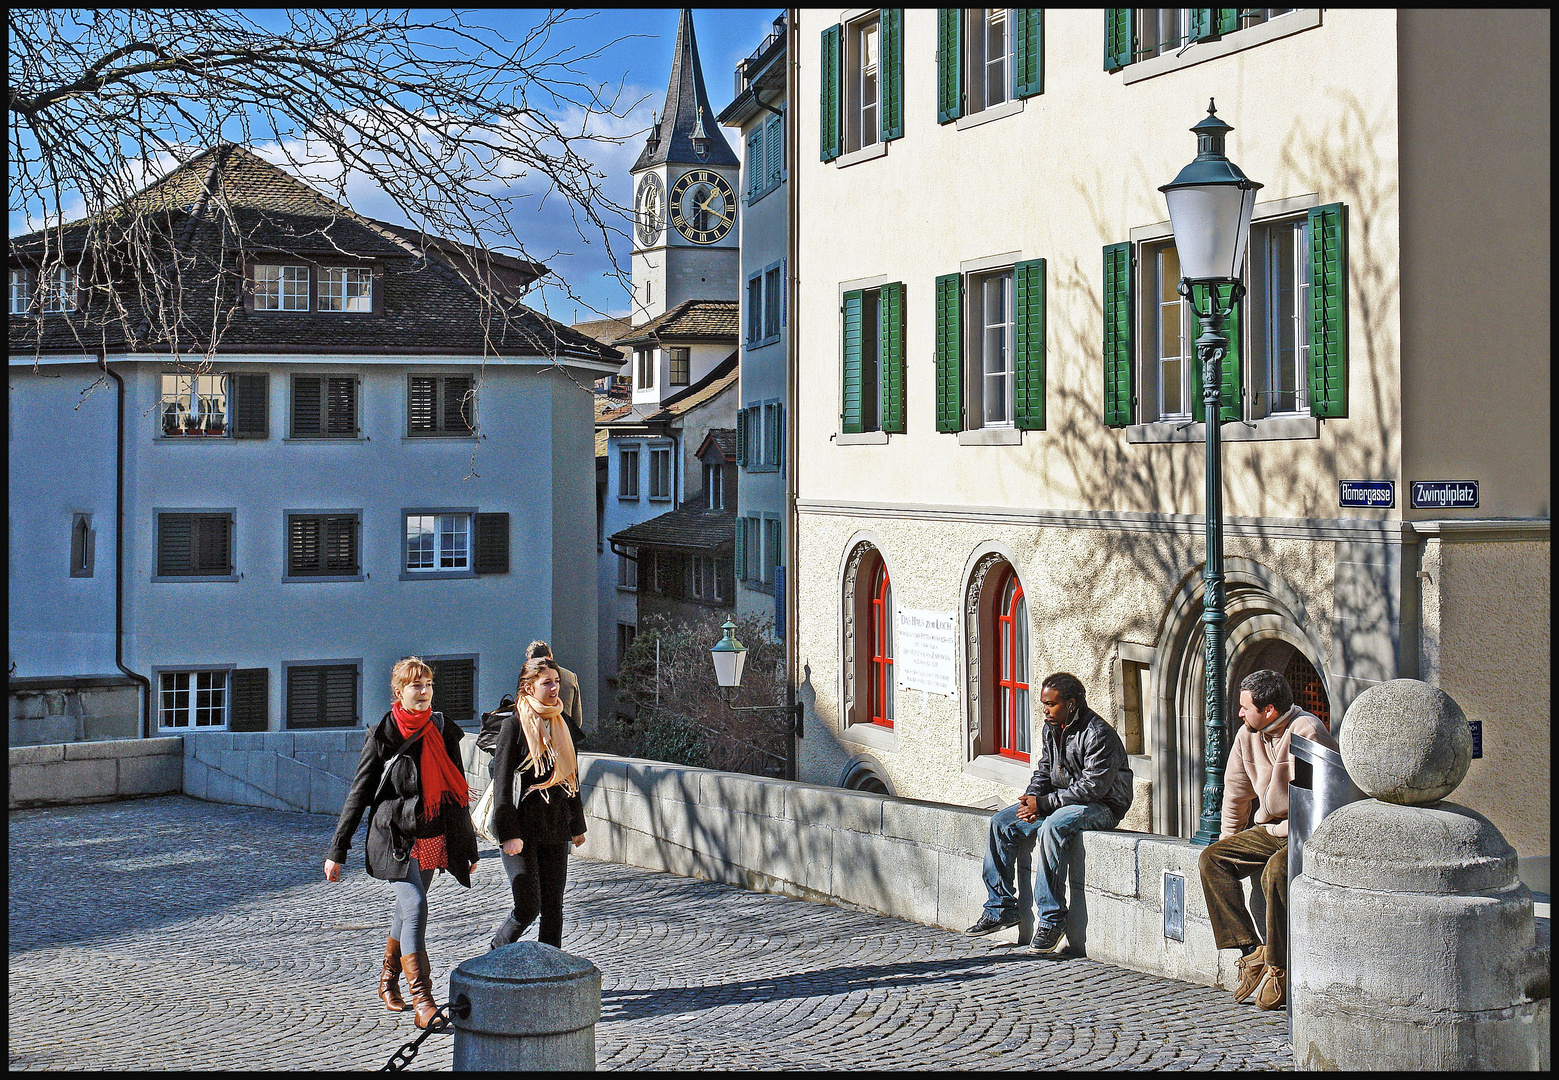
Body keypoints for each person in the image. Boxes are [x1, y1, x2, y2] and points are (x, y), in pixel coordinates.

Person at [323, 657, 480, 1028]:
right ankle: (423, 1000)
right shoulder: (383, 734)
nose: (423, 692)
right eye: (415, 686)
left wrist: (467, 848)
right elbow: (359, 794)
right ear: (399, 692)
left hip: (431, 834)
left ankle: (387, 980)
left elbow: (457, 795)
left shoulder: (443, 729)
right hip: (394, 836)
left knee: (405, 913)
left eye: (427, 685)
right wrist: (337, 851)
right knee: (416, 905)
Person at [1198, 668, 1338, 1012]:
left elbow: (1318, 801)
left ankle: (1279, 967)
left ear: (1270, 710)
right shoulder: (1247, 734)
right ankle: (1252, 952)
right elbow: (1235, 795)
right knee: (1211, 859)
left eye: (1246, 707)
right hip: (1271, 829)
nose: (1240, 713)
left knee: (1276, 872)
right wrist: (1230, 845)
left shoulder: (1307, 732)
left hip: (1308, 829)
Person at [965, 672, 1134, 954]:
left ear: (1071, 703)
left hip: (1103, 806)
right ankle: (1000, 908)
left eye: (1051, 704)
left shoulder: (1098, 734)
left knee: (1052, 827)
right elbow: (1045, 770)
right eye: (1043, 703)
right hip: (1061, 801)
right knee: (1000, 822)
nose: (1045, 709)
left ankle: (1053, 920)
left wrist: (1043, 805)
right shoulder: (1051, 728)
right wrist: (1031, 798)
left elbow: (1092, 788)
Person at [486, 656, 587, 951]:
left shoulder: (562, 723)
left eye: (556, 682)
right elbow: (503, 786)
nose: (555, 688)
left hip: (555, 826)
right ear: (529, 688)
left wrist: (577, 826)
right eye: (547, 683)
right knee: (528, 906)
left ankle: (550, 970)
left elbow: (572, 779)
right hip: (521, 831)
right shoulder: (514, 726)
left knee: (554, 908)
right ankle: (495, 956)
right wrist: (508, 835)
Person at [525, 640, 586, 746]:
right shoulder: (570, 677)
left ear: (530, 660)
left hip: (538, 740)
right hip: (566, 737)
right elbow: (577, 719)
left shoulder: (530, 678)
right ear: (551, 657)